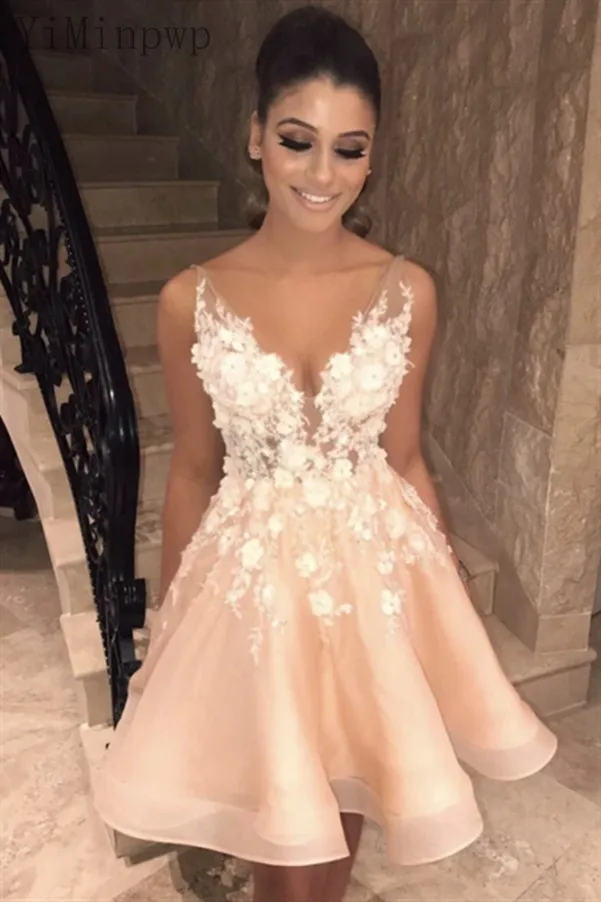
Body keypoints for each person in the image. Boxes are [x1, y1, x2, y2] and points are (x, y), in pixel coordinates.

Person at [94, 6, 558, 901]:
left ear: (371, 158)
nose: (321, 174)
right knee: (281, 815)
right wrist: (171, 621)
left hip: (371, 576)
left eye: (349, 150)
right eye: (297, 141)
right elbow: (192, 469)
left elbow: (406, 456)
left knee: (348, 787)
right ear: (255, 137)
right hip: (255, 585)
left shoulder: (406, 289)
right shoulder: (192, 299)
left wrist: (444, 590)